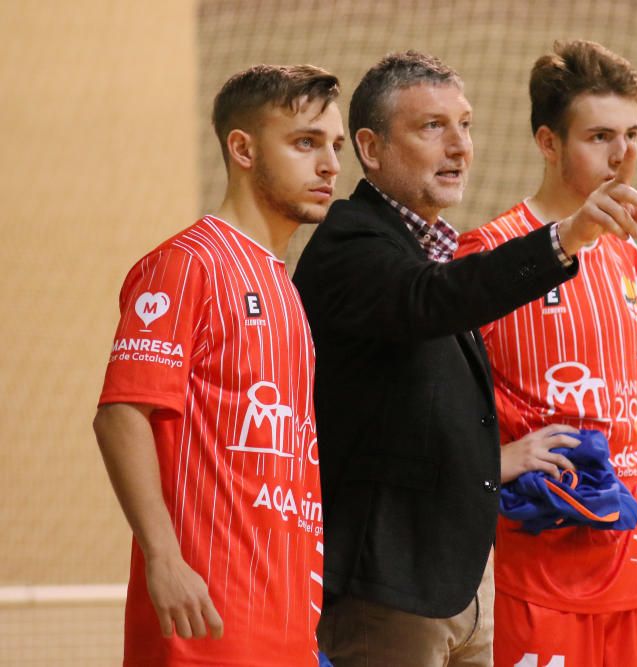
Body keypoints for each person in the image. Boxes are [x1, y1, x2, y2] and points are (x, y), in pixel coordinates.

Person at [292, 50, 637, 667]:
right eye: (432, 127)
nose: (460, 146)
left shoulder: (425, 252)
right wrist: (562, 240)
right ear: (371, 147)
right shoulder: (354, 243)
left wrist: (630, 452)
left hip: (464, 583)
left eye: (464, 125)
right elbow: (435, 300)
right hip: (398, 584)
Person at [92, 64, 345, 666]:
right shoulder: (187, 264)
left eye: (334, 145)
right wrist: (164, 558)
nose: (330, 164)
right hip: (203, 625)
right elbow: (121, 412)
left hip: (286, 626)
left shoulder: (284, 288)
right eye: (306, 142)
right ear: (243, 149)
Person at [455, 40, 637, 666]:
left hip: (627, 550)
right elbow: (434, 399)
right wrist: (500, 458)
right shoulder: (487, 251)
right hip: (534, 555)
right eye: (600, 136)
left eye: (631, 134)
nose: (622, 155)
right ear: (548, 143)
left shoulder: (624, 250)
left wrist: (635, 451)